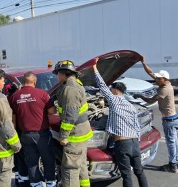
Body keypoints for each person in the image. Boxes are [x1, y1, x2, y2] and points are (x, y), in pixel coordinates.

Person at [93, 58, 148, 187]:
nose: (110, 92)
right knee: (139, 171)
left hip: (123, 144)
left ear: (116, 91)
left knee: (126, 174)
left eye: (112, 90)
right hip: (135, 143)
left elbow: (101, 85)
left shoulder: (114, 100)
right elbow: (137, 127)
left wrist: (94, 68)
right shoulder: (131, 106)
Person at [10, 72, 57, 187]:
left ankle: (36, 184)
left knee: (31, 163)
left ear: (23, 81)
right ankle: (50, 183)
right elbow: (52, 111)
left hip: (25, 135)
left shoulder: (14, 96)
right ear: (34, 82)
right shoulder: (42, 94)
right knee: (48, 160)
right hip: (42, 135)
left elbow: (13, 119)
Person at [53, 60, 93, 187]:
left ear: (64, 73)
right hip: (82, 133)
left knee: (70, 169)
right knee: (80, 165)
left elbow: (70, 116)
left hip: (74, 136)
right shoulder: (76, 84)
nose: (57, 77)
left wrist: (64, 136)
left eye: (58, 74)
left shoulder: (70, 89)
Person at [134, 57, 178, 173]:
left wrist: (139, 96)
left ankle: (173, 165)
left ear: (164, 79)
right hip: (172, 118)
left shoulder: (164, 89)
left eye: (158, 79)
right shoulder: (165, 82)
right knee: (175, 141)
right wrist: (143, 62)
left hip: (169, 119)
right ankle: (176, 161)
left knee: (171, 142)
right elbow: (150, 72)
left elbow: (150, 101)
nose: (156, 80)